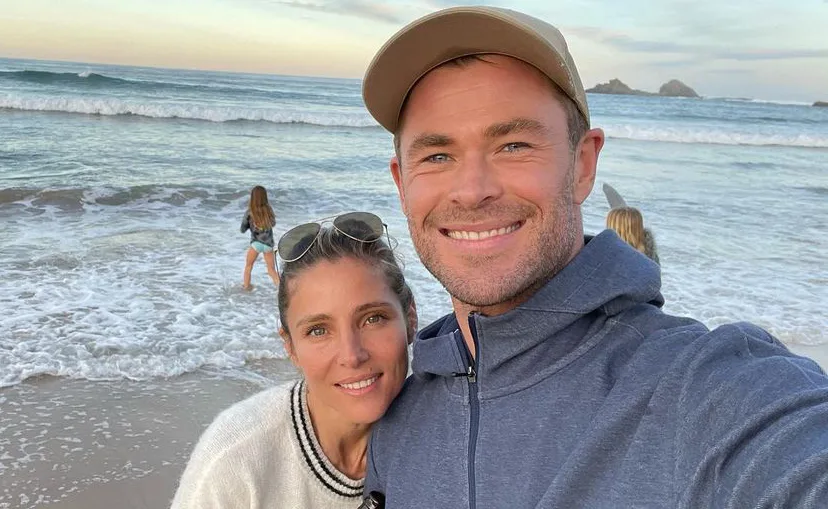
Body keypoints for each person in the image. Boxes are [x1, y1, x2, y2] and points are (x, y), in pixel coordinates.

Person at [359, 6, 828, 508]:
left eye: (513, 145)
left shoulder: (705, 389)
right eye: (437, 156)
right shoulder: (398, 423)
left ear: (583, 165)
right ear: (401, 184)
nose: (472, 191)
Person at [171, 212, 417, 508]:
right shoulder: (237, 460)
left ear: (410, 319)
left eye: (373, 319)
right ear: (290, 346)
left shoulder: (446, 435)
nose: (352, 355)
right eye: (318, 330)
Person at [240, 185, 280, 289]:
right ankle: (281, 289)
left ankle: (246, 287)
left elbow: (242, 229)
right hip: (268, 245)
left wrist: (250, 226)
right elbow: (273, 223)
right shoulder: (268, 210)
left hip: (256, 244)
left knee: (248, 267)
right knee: (271, 270)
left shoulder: (249, 212)